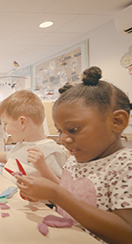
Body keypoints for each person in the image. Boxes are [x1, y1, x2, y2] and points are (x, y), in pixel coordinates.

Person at [15, 67, 132, 244]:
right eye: (60, 131)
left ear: (117, 122)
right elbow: (72, 200)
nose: (63, 139)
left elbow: (126, 233)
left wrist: (56, 194)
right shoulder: (75, 161)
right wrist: (44, 194)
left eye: (73, 130)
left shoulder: (125, 164)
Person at [0, 90, 67, 182]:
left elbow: (60, 190)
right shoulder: (22, 144)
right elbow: (8, 156)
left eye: (5, 124)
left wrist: (42, 167)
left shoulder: (52, 151)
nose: (4, 129)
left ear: (22, 122)